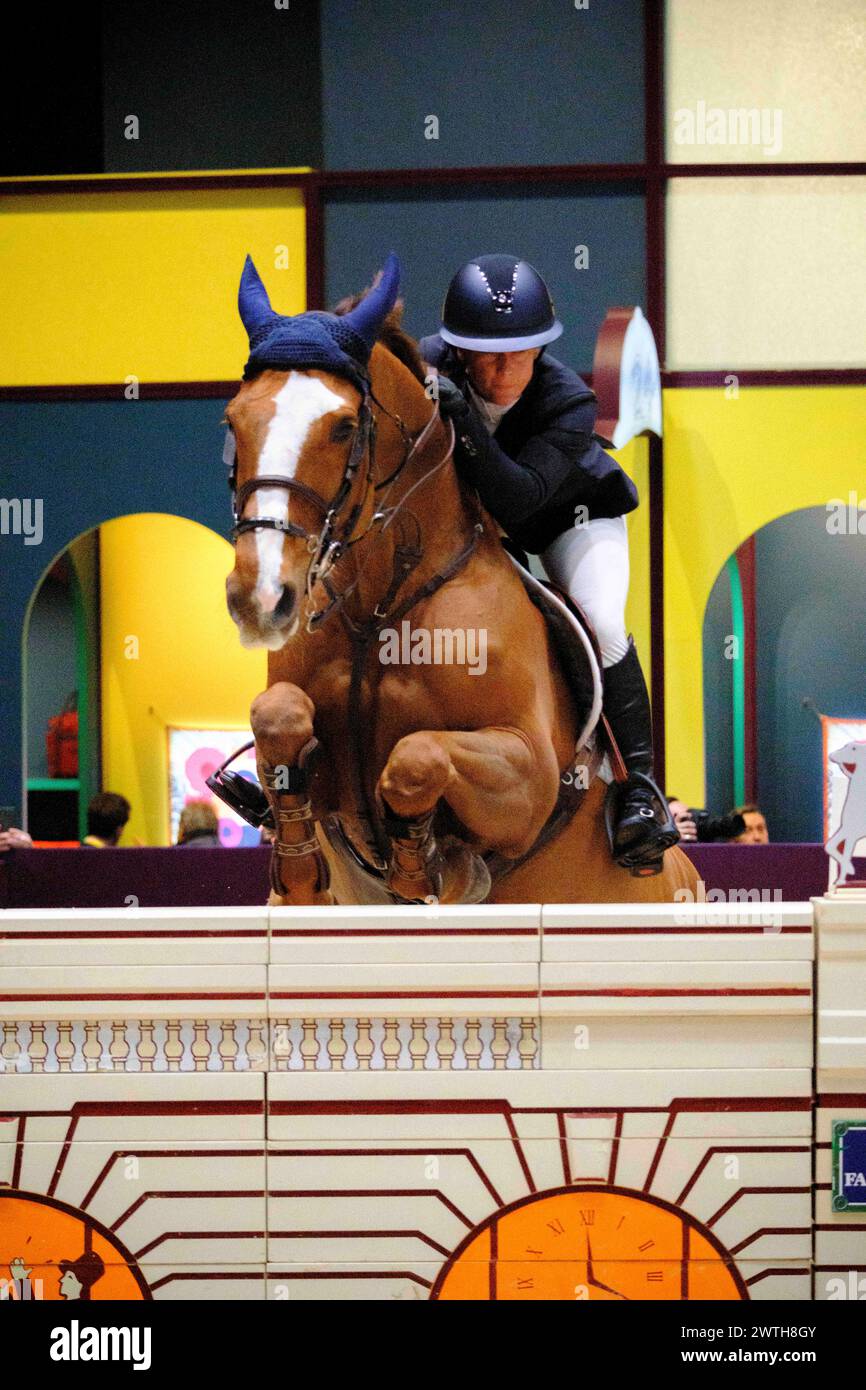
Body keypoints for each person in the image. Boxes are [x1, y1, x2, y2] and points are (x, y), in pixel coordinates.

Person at [421, 254, 676, 868]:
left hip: (568, 518)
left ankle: (639, 790)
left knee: (601, 619)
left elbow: (517, 500)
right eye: (488, 353)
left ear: (542, 348)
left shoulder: (570, 401)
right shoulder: (424, 363)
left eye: (524, 350)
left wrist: (458, 412)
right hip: (476, 530)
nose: (507, 368)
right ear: (457, 351)